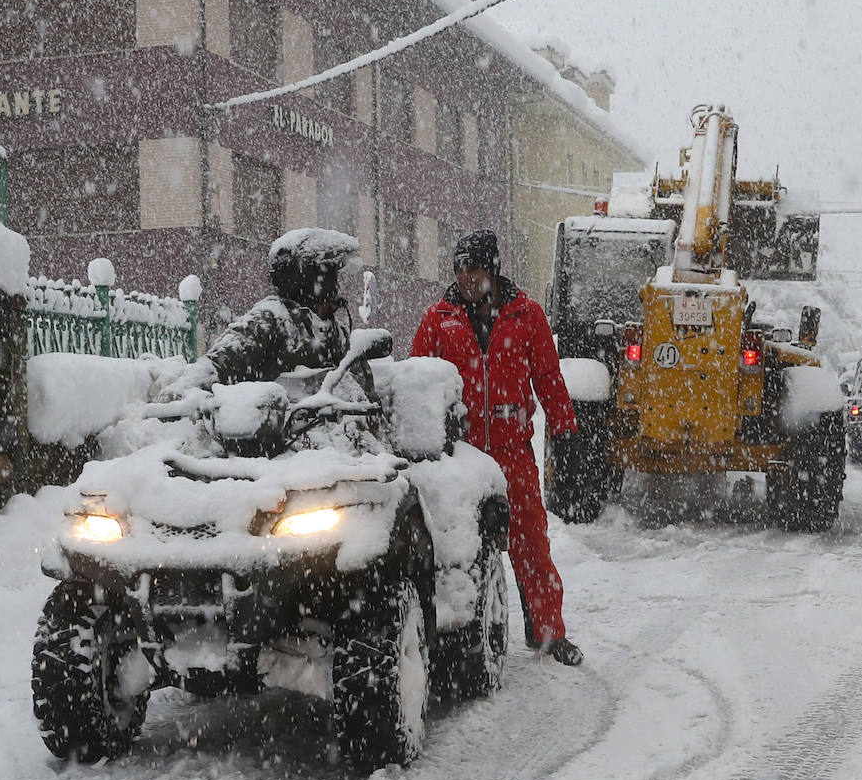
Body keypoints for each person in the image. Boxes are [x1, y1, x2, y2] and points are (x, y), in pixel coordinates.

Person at [411, 229, 584, 666]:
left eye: (475, 267)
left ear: (493, 271)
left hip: (513, 452)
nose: (466, 276)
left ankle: (548, 632)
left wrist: (564, 424)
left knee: (530, 541)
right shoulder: (439, 319)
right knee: (460, 545)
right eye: (460, 268)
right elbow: (416, 380)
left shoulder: (527, 316)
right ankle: (458, 635)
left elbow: (547, 375)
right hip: (461, 458)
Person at [162, 227, 372, 398]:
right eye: (331, 277)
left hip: (340, 443)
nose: (336, 286)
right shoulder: (271, 318)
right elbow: (218, 363)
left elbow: (364, 394)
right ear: (308, 279)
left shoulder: (337, 332)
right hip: (285, 441)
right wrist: (179, 394)